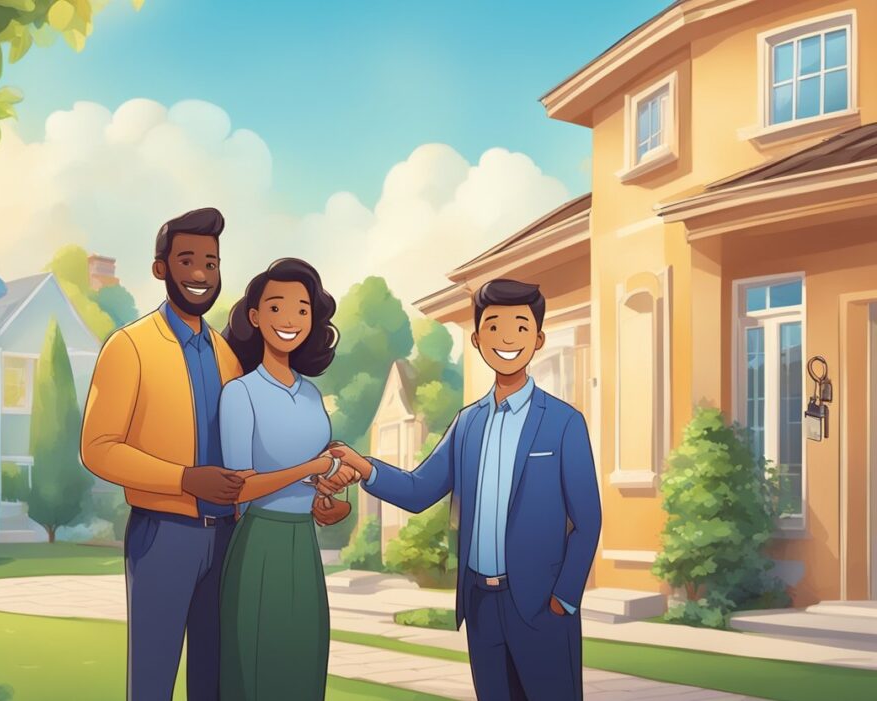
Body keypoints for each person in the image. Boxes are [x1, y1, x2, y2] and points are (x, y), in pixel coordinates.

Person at [326, 279, 602, 701]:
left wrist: (564, 598)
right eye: (494, 327)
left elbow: (587, 520)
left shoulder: (564, 423)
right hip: (481, 607)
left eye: (521, 327)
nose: (507, 338)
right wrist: (365, 467)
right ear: (476, 339)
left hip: (541, 607)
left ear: (539, 338)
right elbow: (419, 490)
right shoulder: (468, 423)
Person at [80, 208, 250, 701]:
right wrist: (184, 479)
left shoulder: (227, 356)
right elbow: (97, 448)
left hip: (227, 538)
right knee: (152, 679)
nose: (200, 274)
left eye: (211, 264)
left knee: (215, 682)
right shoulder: (128, 347)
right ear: (161, 268)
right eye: (188, 260)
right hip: (162, 537)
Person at [217, 258, 342, 701]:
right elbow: (240, 489)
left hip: (303, 546)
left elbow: (318, 481)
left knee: (303, 661)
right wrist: (310, 469)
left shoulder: (310, 395)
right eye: (276, 307)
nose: (289, 320)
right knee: (256, 664)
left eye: (302, 309)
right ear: (254, 317)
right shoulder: (240, 394)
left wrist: (326, 502)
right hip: (259, 546)